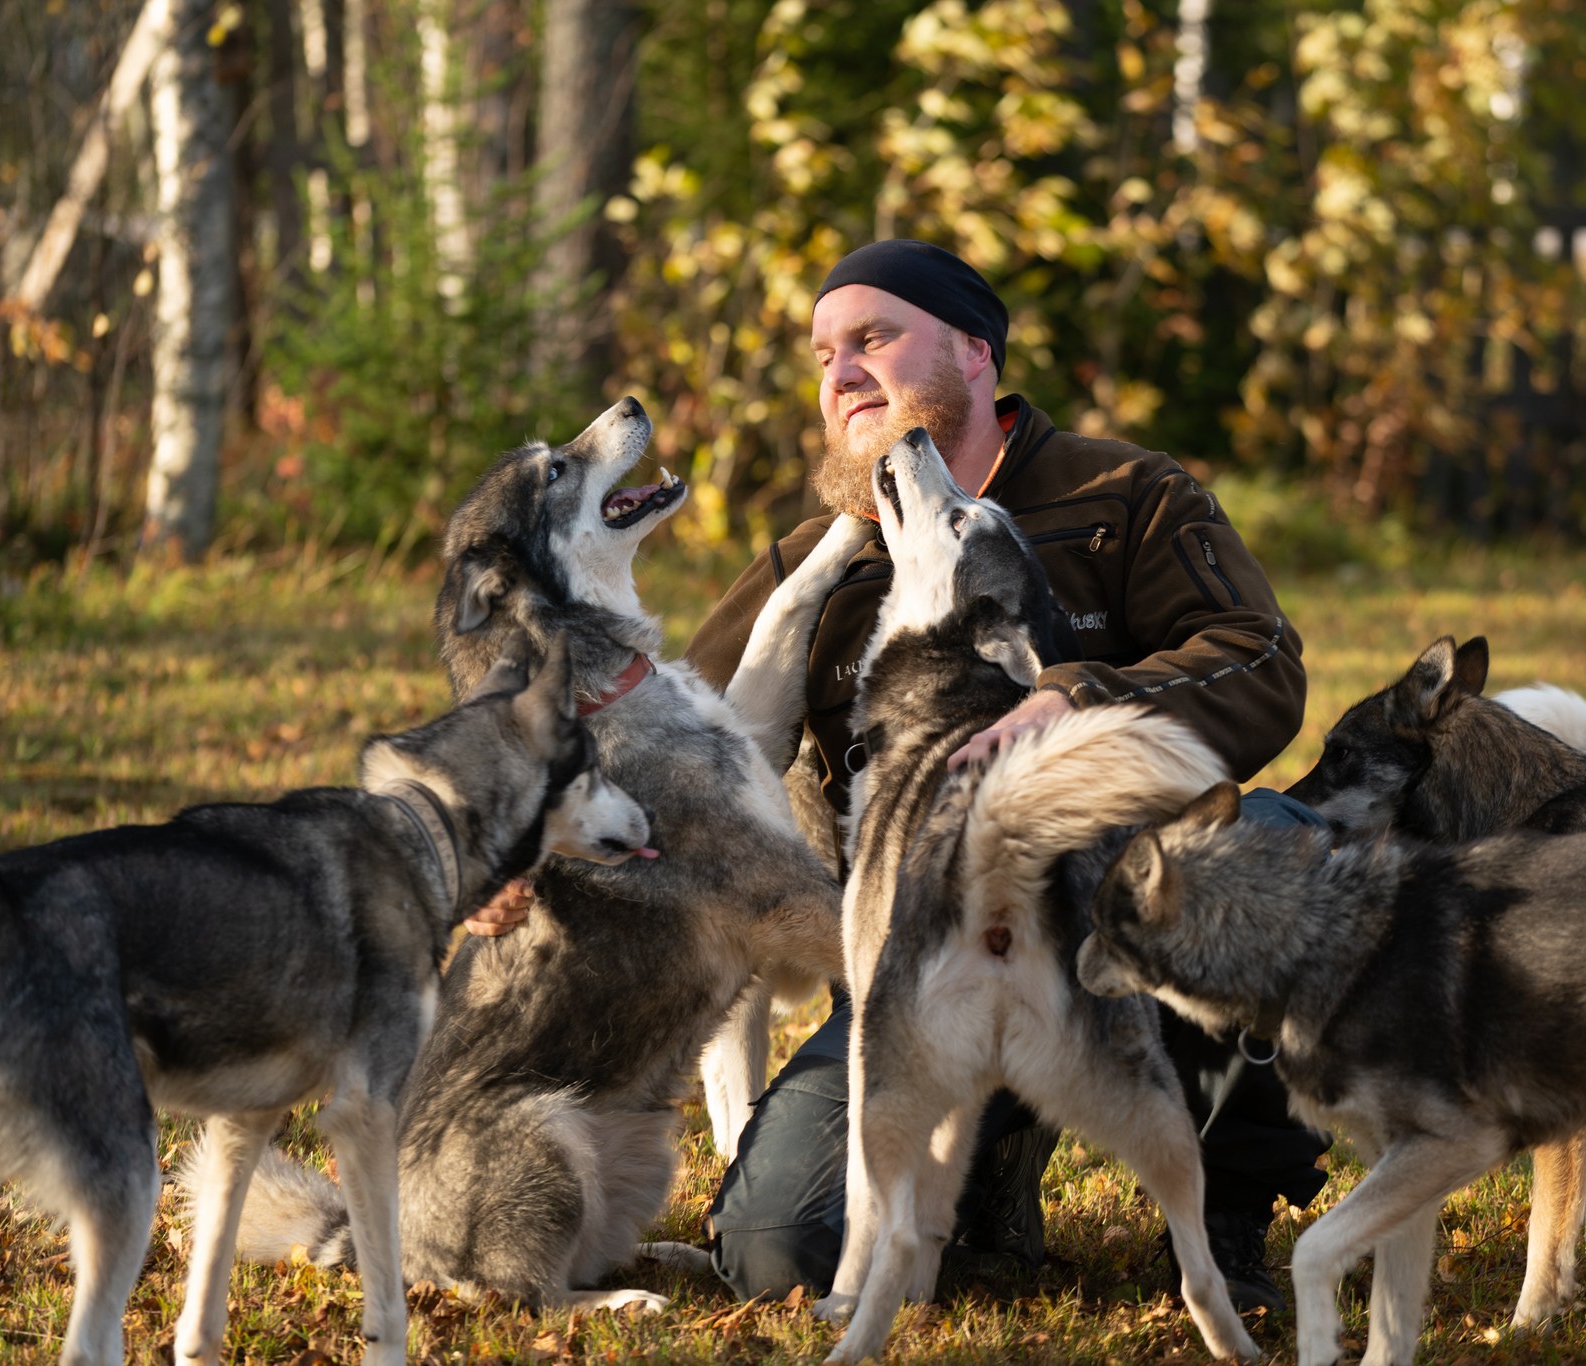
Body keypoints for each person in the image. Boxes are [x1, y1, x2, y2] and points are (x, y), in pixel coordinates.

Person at [470, 239, 1326, 1310]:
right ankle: (981, 1190)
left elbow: (1256, 660)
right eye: (824, 353)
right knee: (777, 1253)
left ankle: (1230, 1211)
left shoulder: (1122, 496)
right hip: (915, 976)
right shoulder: (812, 564)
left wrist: (1074, 698)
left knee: (1283, 850)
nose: (840, 376)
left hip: (1120, 916)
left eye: (873, 338)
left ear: (973, 350)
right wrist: (517, 844)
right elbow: (671, 748)